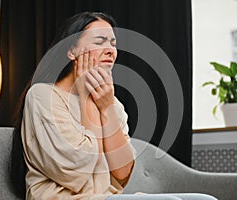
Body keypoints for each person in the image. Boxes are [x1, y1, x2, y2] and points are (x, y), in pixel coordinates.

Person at [11, 11, 217, 200]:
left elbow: (122, 172)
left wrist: (106, 106)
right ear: (72, 51)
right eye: (100, 42)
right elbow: (78, 173)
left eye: (113, 43)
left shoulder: (111, 102)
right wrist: (87, 99)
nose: (110, 50)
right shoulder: (42, 96)